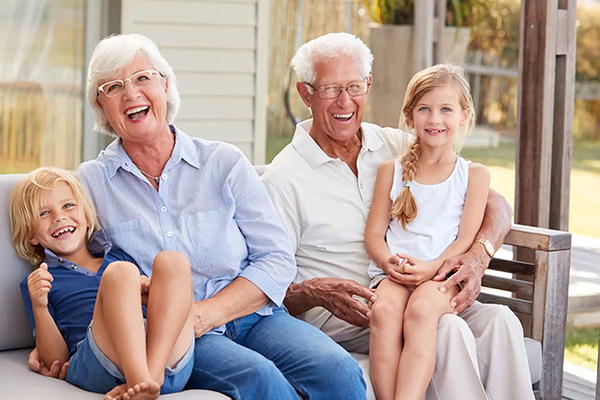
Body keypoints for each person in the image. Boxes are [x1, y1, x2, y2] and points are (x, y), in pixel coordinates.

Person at [28, 33, 367, 400]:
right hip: (173, 334)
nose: (131, 94)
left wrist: (208, 313)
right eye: (113, 87)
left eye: (143, 78)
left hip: (254, 317)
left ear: (166, 85)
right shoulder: (93, 181)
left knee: (338, 370)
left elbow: (276, 257)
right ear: (101, 106)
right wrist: (51, 339)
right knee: (259, 378)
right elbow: (83, 263)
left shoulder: (223, 161)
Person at [262, 32, 534, 399]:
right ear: (305, 93)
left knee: (501, 321)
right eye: (329, 89)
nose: (345, 101)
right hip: (353, 315)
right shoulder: (284, 178)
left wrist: (476, 255)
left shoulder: (395, 144)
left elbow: (495, 204)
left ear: (368, 86)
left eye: (355, 86)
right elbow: (270, 286)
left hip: (427, 283)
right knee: (447, 331)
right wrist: (314, 292)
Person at [366, 64, 505, 400]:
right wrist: (390, 264)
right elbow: (373, 236)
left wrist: (430, 269)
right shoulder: (392, 170)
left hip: (441, 275)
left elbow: (464, 240)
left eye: (446, 110)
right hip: (395, 274)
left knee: (422, 311)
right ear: (410, 115)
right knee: (383, 312)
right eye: (424, 109)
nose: (435, 119)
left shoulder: (473, 175)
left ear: (464, 115)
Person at [11, 167, 195, 400]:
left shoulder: (119, 256)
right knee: (121, 273)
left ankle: (151, 378)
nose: (59, 217)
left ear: (87, 217)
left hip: (162, 358)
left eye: (68, 206)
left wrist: (148, 292)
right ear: (31, 235)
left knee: (173, 261)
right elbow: (56, 360)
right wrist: (39, 306)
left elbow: (156, 309)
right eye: (44, 213)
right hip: (98, 362)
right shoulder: (40, 281)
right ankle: (139, 378)